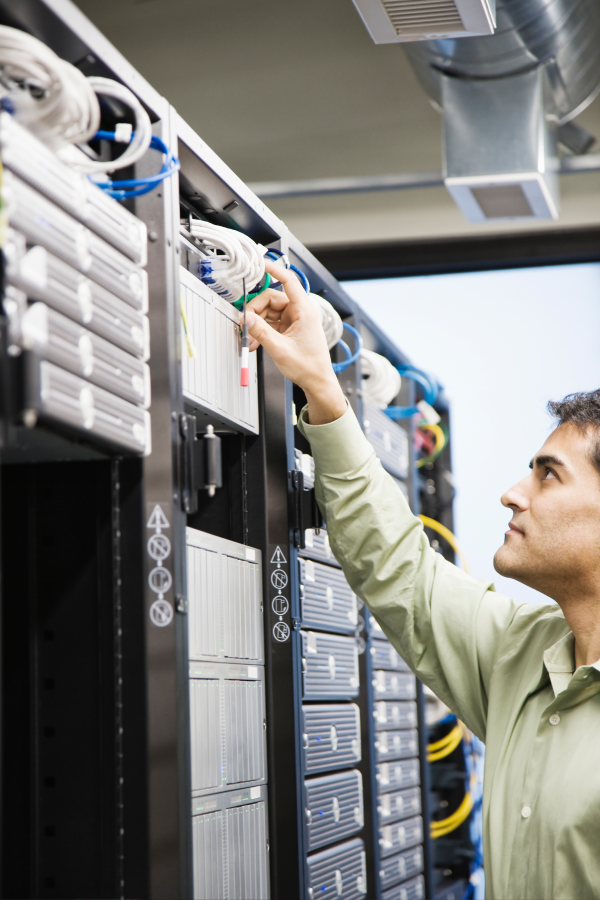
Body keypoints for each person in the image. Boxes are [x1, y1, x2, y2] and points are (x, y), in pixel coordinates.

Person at [242, 259, 600, 900]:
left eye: (548, 474)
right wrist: (323, 392)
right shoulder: (525, 657)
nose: (512, 494)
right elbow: (401, 569)